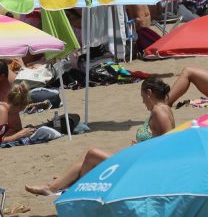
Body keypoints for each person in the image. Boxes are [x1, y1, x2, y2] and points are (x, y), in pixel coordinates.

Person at [25, 77, 174, 196]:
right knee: (88, 154)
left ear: (149, 93)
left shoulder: (158, 111)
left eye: (143, 98)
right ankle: (66, 183)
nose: (143, 102)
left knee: (92, 154)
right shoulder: (164, 109)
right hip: (138, 160)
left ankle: (58, 188)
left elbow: (168, 145)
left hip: (142, 167)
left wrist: (141, 147)